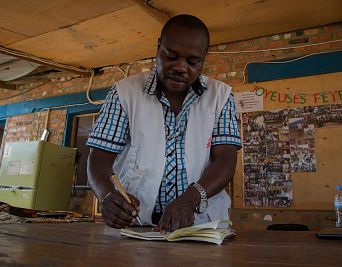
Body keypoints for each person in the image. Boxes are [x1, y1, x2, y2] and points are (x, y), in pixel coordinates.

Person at [86, 14, 241, 233]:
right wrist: (107, 195)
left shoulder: (221, 97)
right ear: (158, 47)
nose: (180, 67)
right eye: (171, 56)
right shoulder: (124, 93)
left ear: (204, 59)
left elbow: (226, 160)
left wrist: (191, 198)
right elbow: (99, 158)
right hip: (134, 226)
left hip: (200, 226)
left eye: (193, 61)